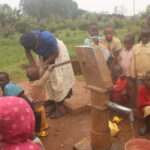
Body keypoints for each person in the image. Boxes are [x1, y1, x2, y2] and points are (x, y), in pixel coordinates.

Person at [20, 30, 75, 119]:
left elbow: (55, 53)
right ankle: (53, 102)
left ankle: (60, 107)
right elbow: (28, 52)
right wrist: (35, 67)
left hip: (57, 52)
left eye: (34, 47)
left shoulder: (48, 38)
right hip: (44, 55)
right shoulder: (28, 40)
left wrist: (45, 64)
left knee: (57, 78)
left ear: (37, 40)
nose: (34, 49)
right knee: (46, 78)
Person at [25, 66, 53, 137]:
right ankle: (40, 130)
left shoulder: (30, 82)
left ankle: (42, 125)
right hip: (38, 106)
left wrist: (44, 68)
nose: (40, 74)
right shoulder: (38, 84)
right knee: (41, 118)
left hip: (35, 104)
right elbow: (44, 79)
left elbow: (39, 75)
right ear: (37, 76)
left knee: (40, 117)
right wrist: (49, 70)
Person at [118, 34, 136, 106]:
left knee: (131, 90)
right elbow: (119, 61)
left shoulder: (134, 52)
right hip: (122, 75)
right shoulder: (122, 51)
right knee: (123, 90)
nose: (126, 44)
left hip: (130, 76)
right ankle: (124, 103)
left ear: (132, 43)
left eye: (128, 43)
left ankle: (131, 104)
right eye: (125, 42)